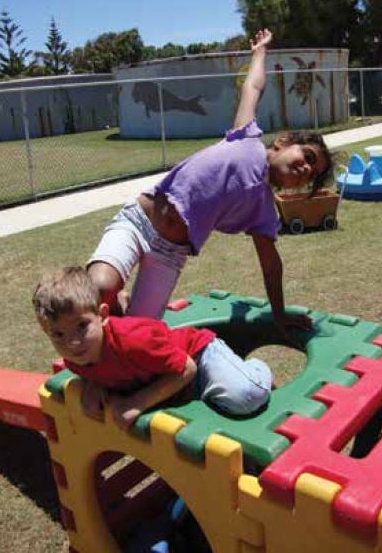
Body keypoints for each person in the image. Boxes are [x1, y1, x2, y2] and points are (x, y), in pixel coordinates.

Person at [86, 28, 333, 338]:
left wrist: (279, 314)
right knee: (99, 288)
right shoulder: (247, 136)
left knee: (139, 334)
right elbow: (253, 87)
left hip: (170, 253)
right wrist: (260, 52)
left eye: (311, 172)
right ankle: (108, 294)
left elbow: (271, 265)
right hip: (141, 221)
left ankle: (123, 305)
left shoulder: (264, 212)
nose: (306, 168)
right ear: (283, 142)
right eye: (307, 155)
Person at [33, 266, 273, 429]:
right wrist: (92, 385)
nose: (72, 343)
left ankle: (253, 370)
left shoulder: (132, 340)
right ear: (46, 333)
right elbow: (99, 369)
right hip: (169, 380)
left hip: (198, 357)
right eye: (58, 334)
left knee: (247, 397)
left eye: (82, 326)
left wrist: (135, 403)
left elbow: (185, 368)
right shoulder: (76, 358)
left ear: (103, 316)